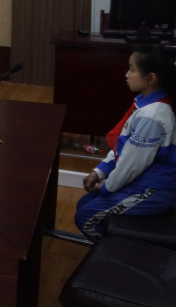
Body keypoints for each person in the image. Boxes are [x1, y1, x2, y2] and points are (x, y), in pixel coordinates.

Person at [75, 44, 176, 240]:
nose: (126, 75)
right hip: (141, 181)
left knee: (86, 218)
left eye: (131, 69)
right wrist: (100, 171)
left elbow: (132, 164)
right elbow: (125, 148)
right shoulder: (146, 105)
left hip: (154, 190)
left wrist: (107, 186)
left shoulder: (152, 116)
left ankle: (116, 254)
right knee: (83, 204)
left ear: (151, 78)